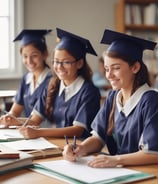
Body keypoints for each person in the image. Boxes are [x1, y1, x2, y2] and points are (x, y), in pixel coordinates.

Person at [63, 29, 158, 167]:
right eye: (107, 69)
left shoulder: (150, 101)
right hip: (116, 170)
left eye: (116, 68)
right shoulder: (113, 97)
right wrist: (79, 149)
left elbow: (153, 153)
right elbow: (98, 138)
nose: (108, 75)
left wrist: (116, 160)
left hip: (144, 172)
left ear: (135, 67)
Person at [18, 28, 101, 139]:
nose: (60, 67)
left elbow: (77, 130)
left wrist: (39, 132)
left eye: (66, 62)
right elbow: (34, 120)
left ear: (80, 63)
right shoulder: (52, 86)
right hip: (58, 145)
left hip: (82, 149)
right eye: (56, 61)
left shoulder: (89, 91)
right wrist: (14, 121)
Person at [0, 29, 53, 126]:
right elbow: (15, 111)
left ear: (45, 54)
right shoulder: (26, 78)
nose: (29, 61)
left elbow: (36, 120)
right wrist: (8, 117)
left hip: (46, 133)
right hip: (27, 131)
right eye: (25, 56)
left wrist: (15, 121)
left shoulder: (52, 81)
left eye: (34, 55)